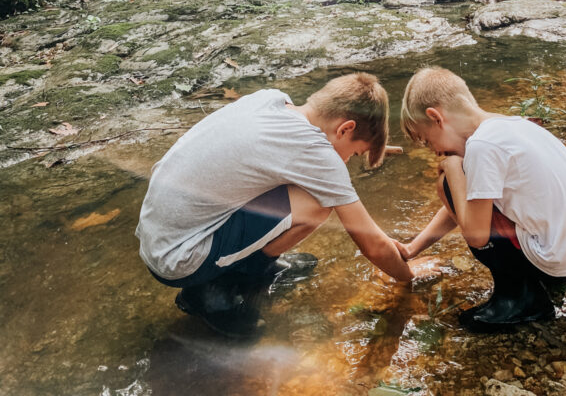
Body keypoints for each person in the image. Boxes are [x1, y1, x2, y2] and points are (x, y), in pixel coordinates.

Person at [137, 72, 412, 337]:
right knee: (319, 201)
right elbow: (372, 244)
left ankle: (254, 269)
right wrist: (410, 276)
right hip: (179, 259)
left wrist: (365, 146)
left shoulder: (271, 100)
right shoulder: (313, 151)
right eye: (354, 153)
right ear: (345, 128)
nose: (347, 160)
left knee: (306, 185)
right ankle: (217, 290)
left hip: (159, 235)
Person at [398, 67, 566, 332]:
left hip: (551, 262)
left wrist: (454, 170)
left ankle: (518, 299)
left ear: (436, 118)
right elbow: (473, 201)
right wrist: (413, 248)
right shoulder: (511, 126)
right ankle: (530, 285)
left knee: (447, 182)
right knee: (457, 182)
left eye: (426, 140)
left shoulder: (482, 146)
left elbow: (476, 235)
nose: (435, 151)